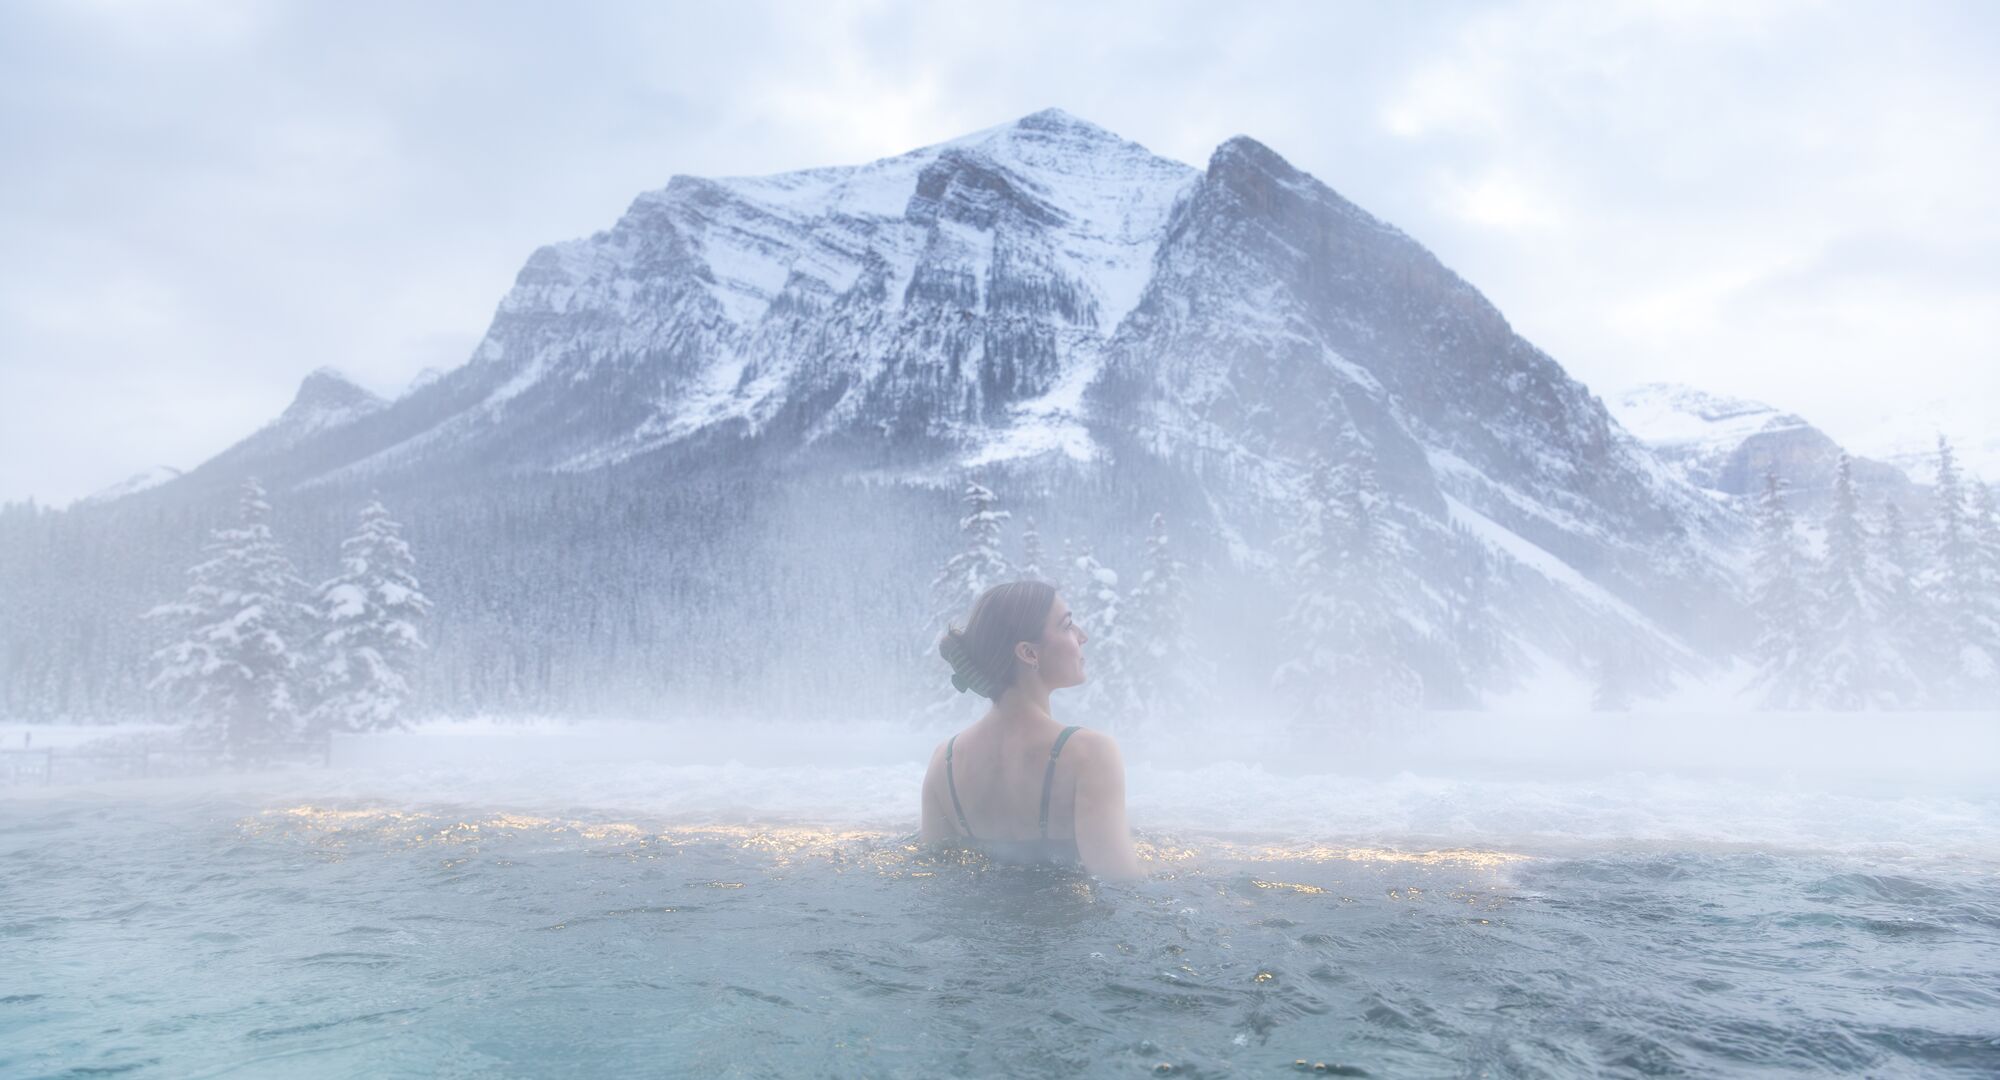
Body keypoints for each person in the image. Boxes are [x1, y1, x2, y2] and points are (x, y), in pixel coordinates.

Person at [920, 580, 1144, 880]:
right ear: (1029, 652)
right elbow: (1122, 884)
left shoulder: (943, 762)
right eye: (1067, 625)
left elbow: (937, 878)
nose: (1082, 636)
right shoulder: (1089, 754)